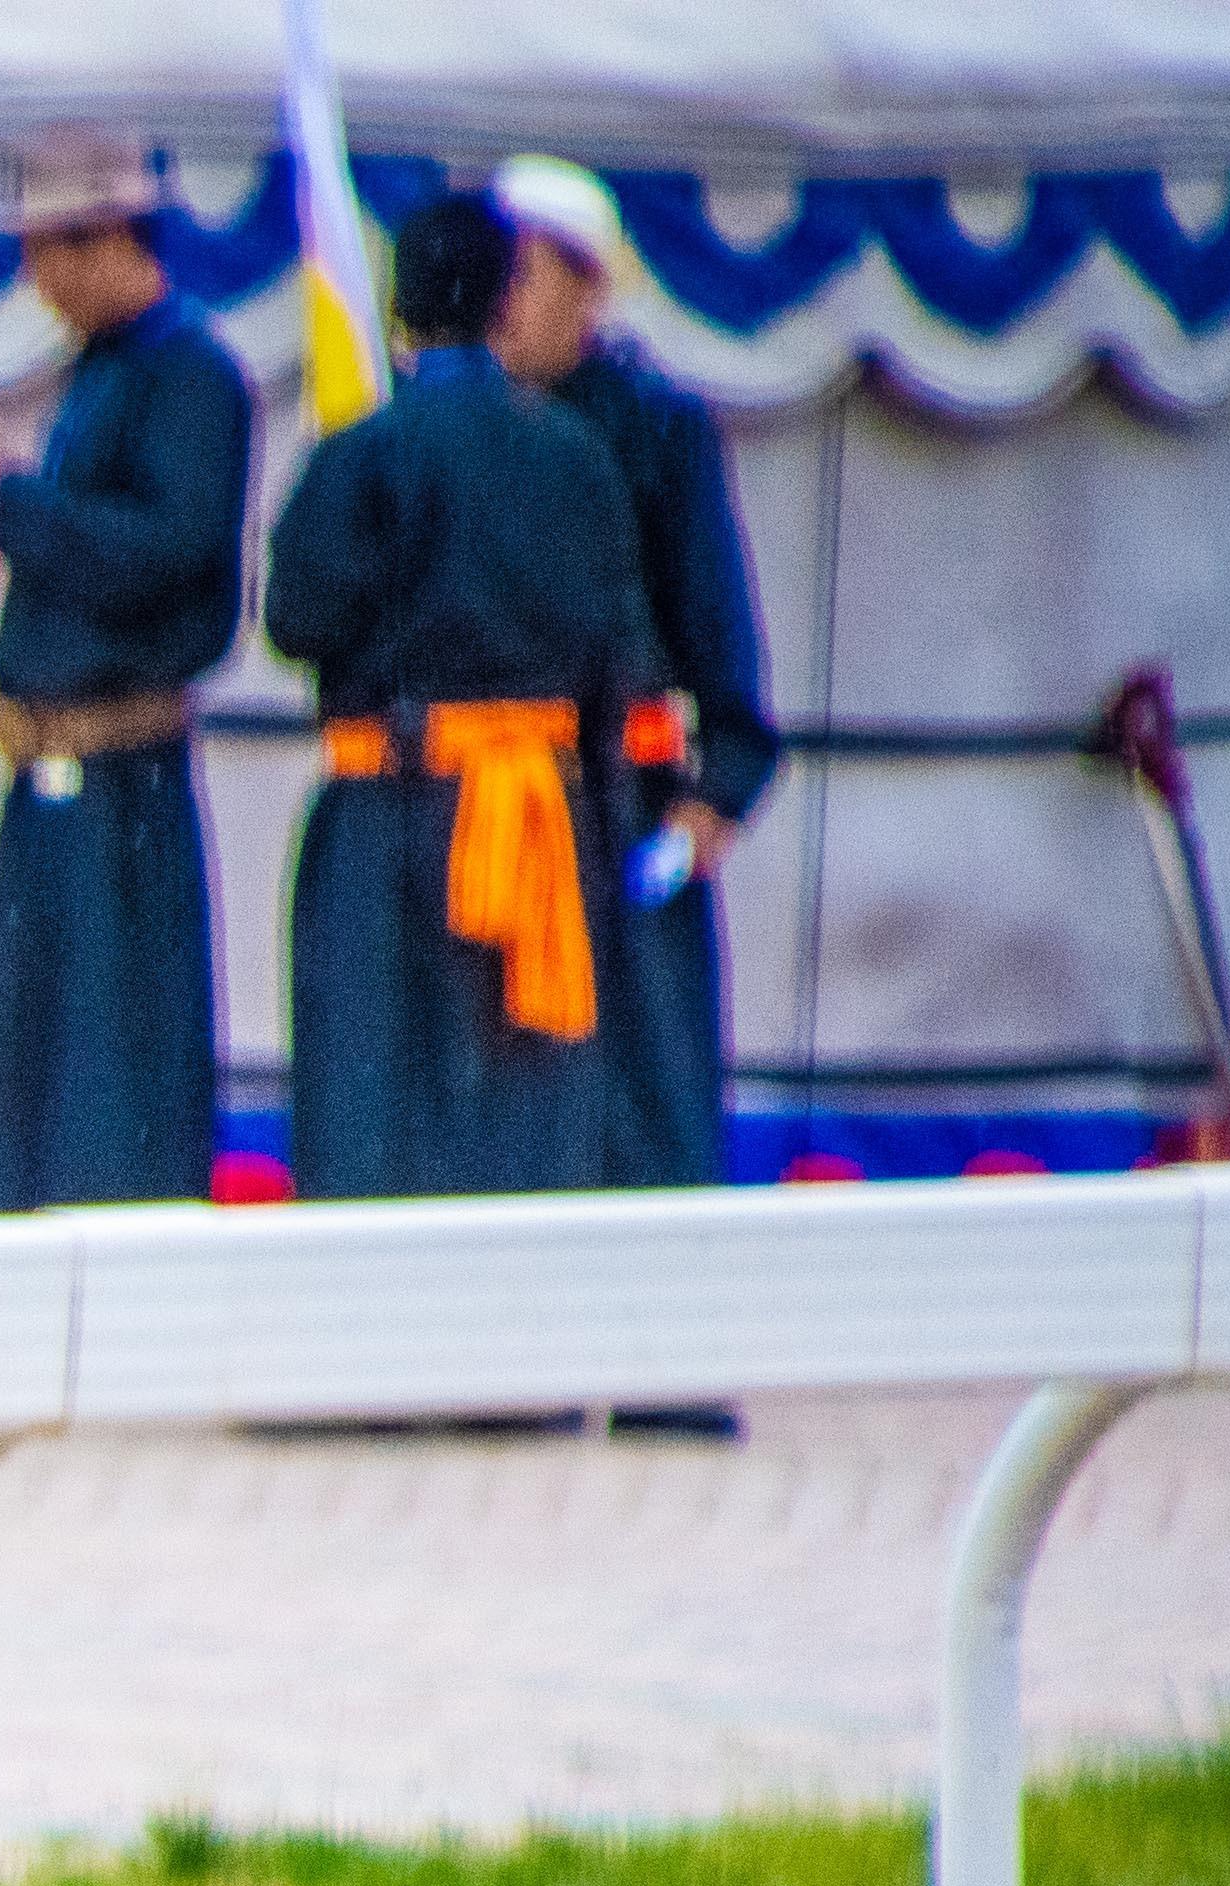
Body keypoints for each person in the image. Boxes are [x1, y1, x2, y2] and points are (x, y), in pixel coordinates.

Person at [267, 189, 662, 1201]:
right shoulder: (578, 456)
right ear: (505, 296)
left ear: (400, 310)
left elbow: (295, 621)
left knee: (377, 1116)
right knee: (521, 1121)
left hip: (389, 820)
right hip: (543, 821)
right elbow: (615, 655)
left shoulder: (363, 450)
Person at [0, 133, 254, 1211]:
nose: (35, 282)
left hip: (123, 780)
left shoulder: (190, 375)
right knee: (30, 1047)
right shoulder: (108, 371)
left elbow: (160, 554)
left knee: (113, 1051)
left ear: (106, 243)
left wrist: (5, 495)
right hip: (53, 771)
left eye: (48, 254)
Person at [493, 156, 776, 1190]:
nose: (503, 303)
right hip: (488, 817)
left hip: (623, 813)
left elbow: (718, 639)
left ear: (588, 283)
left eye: (526, 274)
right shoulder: (452, 427)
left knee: (634, 1107)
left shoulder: (657, 426)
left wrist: (708, 807)